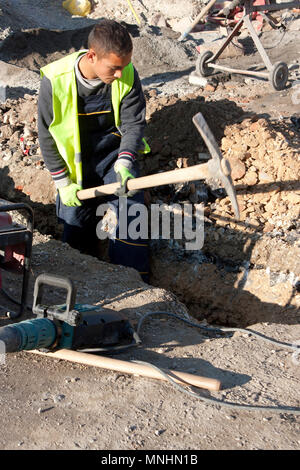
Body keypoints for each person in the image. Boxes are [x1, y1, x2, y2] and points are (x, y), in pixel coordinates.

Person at [38, 19, 150, 282]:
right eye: (114, 68)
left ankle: (137, 285)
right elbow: (46, 135)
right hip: (75, 166)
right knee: (75, 226)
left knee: (132, 216)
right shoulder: (55, 80)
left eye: (124, 66)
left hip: (114, 157)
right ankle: (84, 286)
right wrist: (63, 182)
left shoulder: (128, 73)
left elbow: (134, 122)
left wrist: (125, 162)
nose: (121, 74)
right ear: (92, 56)